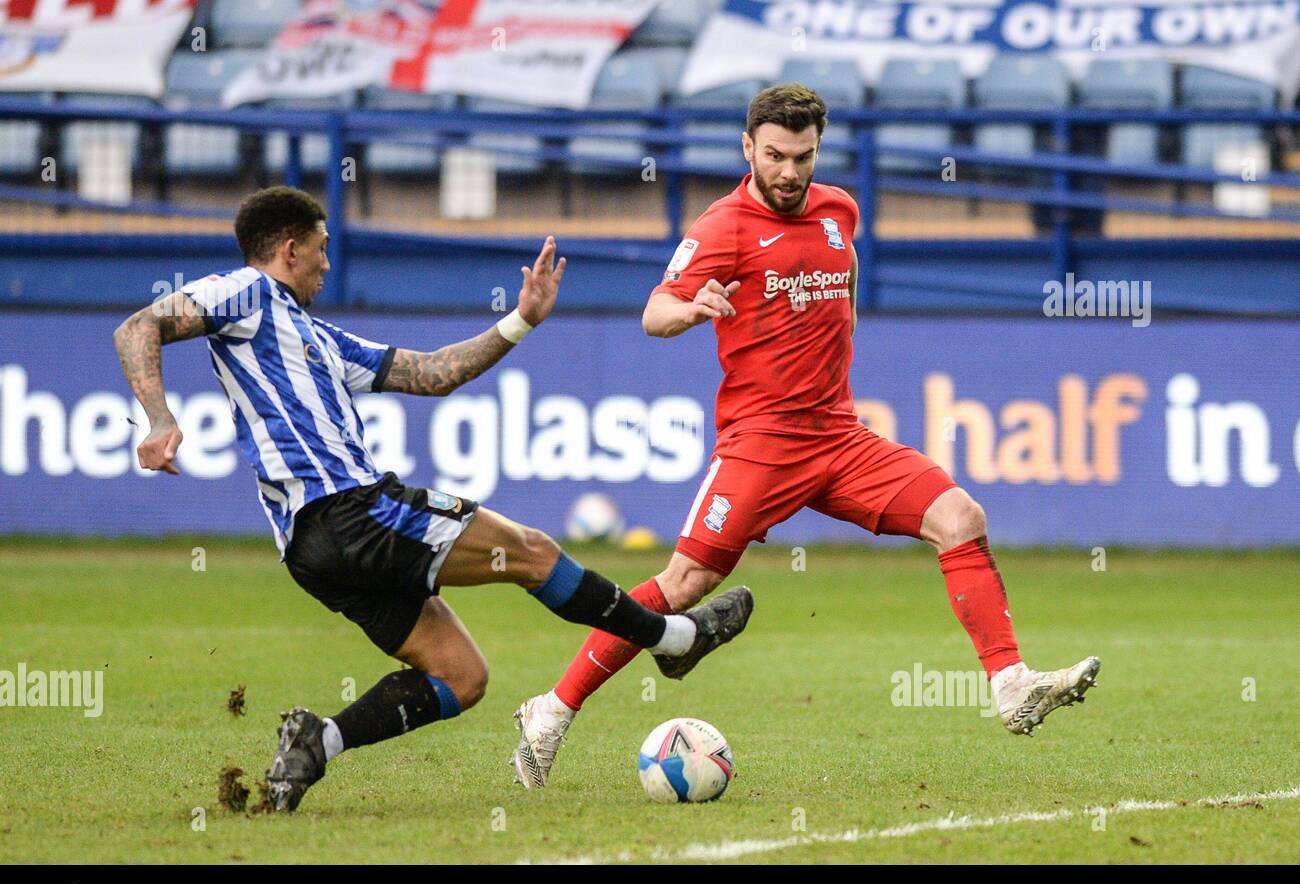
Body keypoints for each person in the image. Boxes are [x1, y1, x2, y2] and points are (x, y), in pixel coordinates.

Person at [510, 85, 1099, 789]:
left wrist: (835, 339)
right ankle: (550, 710)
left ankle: (1010, 683)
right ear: (748, 148)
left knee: (961, 516)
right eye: (775, 155)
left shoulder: (839, 209)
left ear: (818, 148)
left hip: (840, 437)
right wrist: (695, 306)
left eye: (803, 156)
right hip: (760, 443)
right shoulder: (723, 225)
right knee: (684, 582)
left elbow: (842, 284)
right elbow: (653, 312)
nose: (789, 172)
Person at [112, 185, 753, 811]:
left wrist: (521, 320)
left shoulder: (319, 339)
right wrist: (159, 419)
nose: (328, 264)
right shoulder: (246, 291)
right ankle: (674, 638)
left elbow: (433, 372)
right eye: (321, 249)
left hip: (313, 552)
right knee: (531, 553)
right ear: (288, 248)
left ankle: (319, 741)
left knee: (462, 678)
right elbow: (138, 327)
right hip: (351, 510)